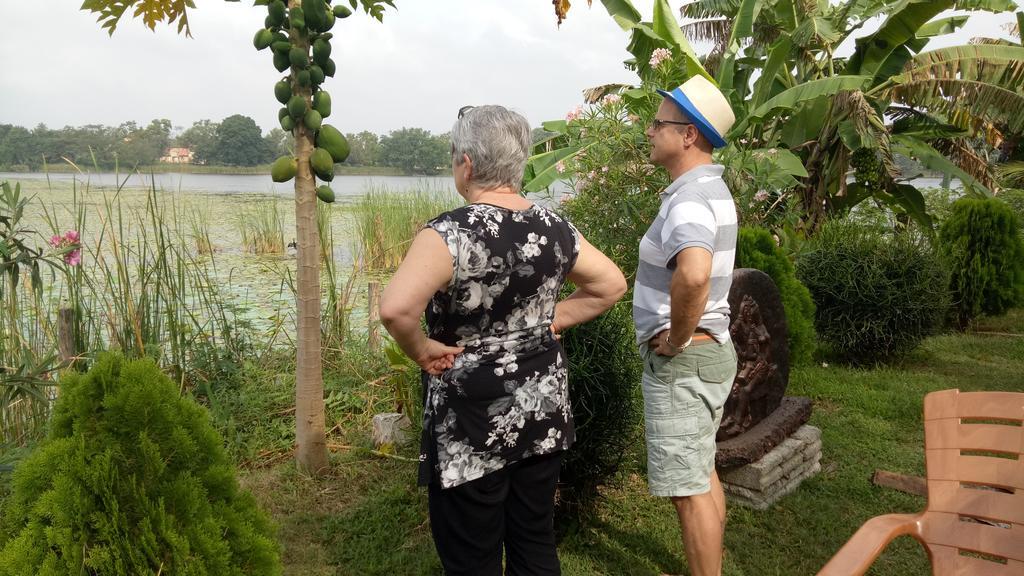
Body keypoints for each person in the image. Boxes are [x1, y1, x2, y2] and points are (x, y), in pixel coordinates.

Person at [380, 104, 626, 575]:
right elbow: (611, 284)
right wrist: (549, 321)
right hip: (542, 409)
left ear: (467, 163)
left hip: (472, 419)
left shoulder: (450, 233)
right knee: (535, 538)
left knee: (473, 554)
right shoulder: (554, 227)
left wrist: (422, 350)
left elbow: (395, 309)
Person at [632, 75, 738, 576]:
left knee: (688, 491)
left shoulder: (689, 199)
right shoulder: (710, 188)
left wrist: (674, 338)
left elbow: (694, 273)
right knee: (702, 473)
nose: (649, 131)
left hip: (686, 360)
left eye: (658, 123)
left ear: (688, 135)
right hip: (709, 354)